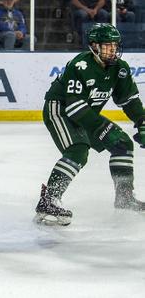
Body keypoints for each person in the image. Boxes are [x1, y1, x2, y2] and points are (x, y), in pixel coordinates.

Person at [34, 23, 145, 226]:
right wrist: (102, 130)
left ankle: (125, 198)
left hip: (86, 113)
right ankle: (48, 201)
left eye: (115, 45)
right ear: (94, 46)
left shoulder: (120, 69)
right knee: (78, 150)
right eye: (107, 46)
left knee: (123, 144)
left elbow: (129, 101)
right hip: (60, 109)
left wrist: (142, 121)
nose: (113, 50)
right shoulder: (80, 65)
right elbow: (75, 108)